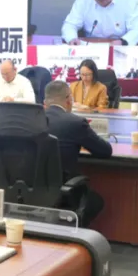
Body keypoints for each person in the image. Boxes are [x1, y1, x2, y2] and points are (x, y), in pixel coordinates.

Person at [42, 81, 111, 224]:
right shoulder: (75, 122)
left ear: (45, 102)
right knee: (96, 201)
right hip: (63, 189)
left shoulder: (31, 121)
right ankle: (72, 231)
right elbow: (105, 151)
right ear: (69, 100)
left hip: (32, 190)